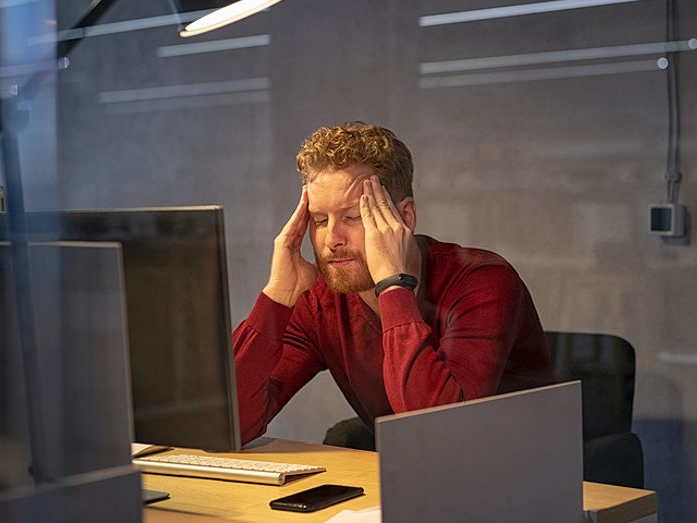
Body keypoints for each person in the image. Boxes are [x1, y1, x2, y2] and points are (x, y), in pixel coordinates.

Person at [232, 122, 556, 447]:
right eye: (319, 220)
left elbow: (444, 434)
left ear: (406, 217)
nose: (331, 240)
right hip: (414, 470)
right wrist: (277, 295)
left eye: (353, 217)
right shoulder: (320, 301)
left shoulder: (483, 281)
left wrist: (392, 286)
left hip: (516, 472)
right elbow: (232, 425)